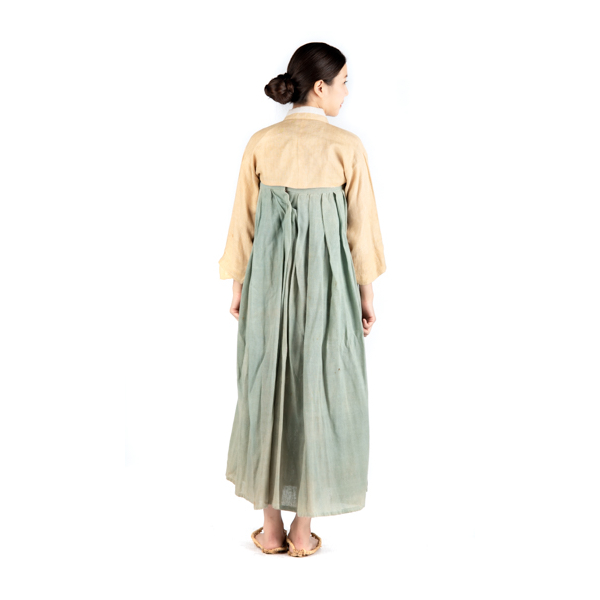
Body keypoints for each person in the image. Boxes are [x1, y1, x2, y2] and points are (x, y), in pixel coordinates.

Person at [218, 42, 386, 557]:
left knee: (265, 386)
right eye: (343, 82)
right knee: (320, 385)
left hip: (266, 286)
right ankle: (301, 530)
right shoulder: (346, 146)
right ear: (320, 86)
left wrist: (238, 286)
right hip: (328, 290)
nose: (346, 92)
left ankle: (269, 529)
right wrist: (366, 294)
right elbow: (362, 232)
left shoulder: (261, 143)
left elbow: (243, 223)